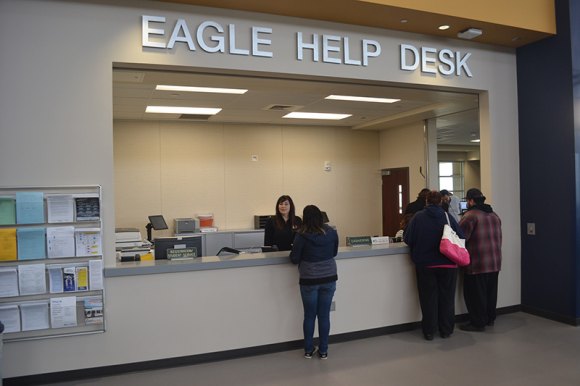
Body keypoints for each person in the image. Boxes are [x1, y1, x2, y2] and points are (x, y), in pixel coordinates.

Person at [403, 190, 464, 341]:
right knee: (447, 298)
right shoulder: (447, 216)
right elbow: (461, 236)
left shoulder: (418, 217)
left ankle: (429, 331)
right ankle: (446, 330)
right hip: (448, 264)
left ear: (426, 201)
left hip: (426, 264)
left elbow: (408, 238)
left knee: (428, 298)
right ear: (441, 201)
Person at [290, 205, 339, 359]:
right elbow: (334, 252)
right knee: (324, 316)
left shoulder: (301, 235)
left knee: (309, 316)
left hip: (309, 279)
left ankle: (308, 350)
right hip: (329, 277)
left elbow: (294, 258)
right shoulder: (332, 232)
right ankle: (323, 351)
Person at [459, 188, 502, 332]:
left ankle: (478, 323)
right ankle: (490, 318)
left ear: (471, 201)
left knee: (476, 295)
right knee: (491, 292)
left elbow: (461, 237)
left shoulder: (470, 216)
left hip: (477, 263)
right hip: (494, 261)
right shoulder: (494, 215)